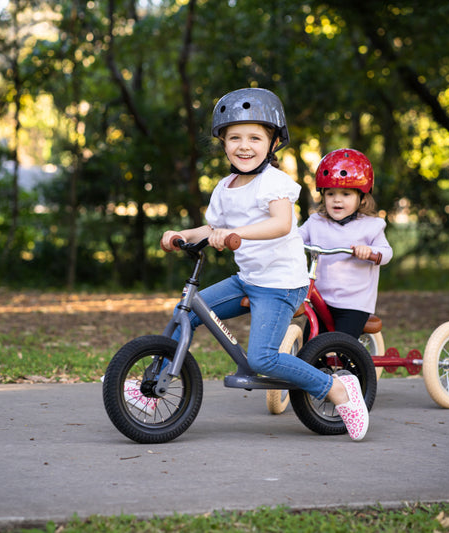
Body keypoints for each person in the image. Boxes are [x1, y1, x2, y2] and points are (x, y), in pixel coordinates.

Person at [160, 88, 368, 440]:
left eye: (255, 137)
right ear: (223, 143)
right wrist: (180, 234)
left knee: (262, 359)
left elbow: (281, 224)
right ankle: (158, 381)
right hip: (248, 278)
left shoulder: (274, 183)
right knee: (185, 313)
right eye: (234, 137)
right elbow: (210, 228)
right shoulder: (225, 187)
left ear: (272, 143)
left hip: (281, 283)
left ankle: (337, 390)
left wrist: (233, 233)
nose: (244, 145)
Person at [299, 148, 393, 339]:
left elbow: (386, 253)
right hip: (321, 300)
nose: (337, 199)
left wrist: (370, 251)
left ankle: (350, 368)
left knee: (343, 345)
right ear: (323, 196)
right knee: (311, 343)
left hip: (354, 304)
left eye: (346, 194)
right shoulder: (316, 222)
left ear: (362, 197)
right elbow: (294, 238)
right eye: (330, 194)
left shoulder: (371, 226)